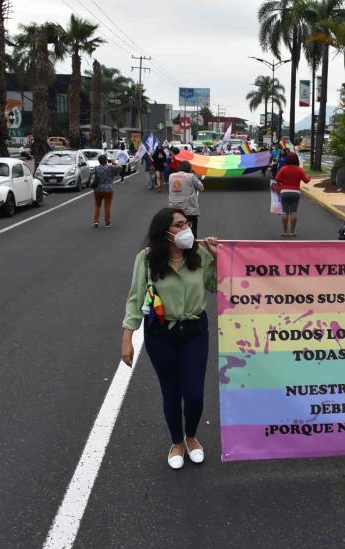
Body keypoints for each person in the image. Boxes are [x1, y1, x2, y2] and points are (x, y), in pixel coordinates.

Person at [121, 208, 218, 470]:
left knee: (195, 392)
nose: (186, 229)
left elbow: (215, 286)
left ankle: (191, 437)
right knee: (171, 391)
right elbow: (135, 298)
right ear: (164, 232)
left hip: (195, 330)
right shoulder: (147, 259)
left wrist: (218, 259)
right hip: (160, 333)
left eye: (187, 224)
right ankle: (176, 441)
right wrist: (127, 338)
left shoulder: (199, 255)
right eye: (178, 225)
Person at [274, 153, 311, 237]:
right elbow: (306, 180)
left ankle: (284, 231)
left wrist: (282, 183)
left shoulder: (283, 168)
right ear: (296, 160)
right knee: (294, 212)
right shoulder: (300, 170)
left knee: (285, 212)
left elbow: (276, 179)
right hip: (296, 193)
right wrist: (309, 177)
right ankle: (292, 232)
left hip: (284, 192)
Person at [168, 161, 205, 237]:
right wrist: (193, 175)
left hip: (173, 208)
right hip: (188, 209)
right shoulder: (191, 176)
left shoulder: (171, 176)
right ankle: (192, 246)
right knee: (191, 230)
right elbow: (201, 188)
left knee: (176, 229)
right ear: (189, 168)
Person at [92, 154, 121, 228]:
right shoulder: (110, 167)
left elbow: (92, 176)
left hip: (98, 189)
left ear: (99, 161)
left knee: (97, 205)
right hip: (108, 189)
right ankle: (107, 222)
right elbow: (120, 167)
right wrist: (113, 162)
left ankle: (96, 221)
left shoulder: (96, 168)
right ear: (106, 160)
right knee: (107, 206)